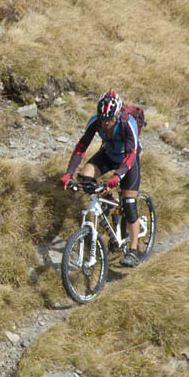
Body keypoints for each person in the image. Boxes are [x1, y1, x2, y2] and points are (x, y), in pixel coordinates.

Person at [59, 90, 143, 268]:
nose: (105, 123)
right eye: (102, 119)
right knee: (84, 178)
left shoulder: (128, 124)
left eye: (109, 119)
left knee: (129, 203)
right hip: (108, 154)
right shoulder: (95, 122)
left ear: (117, 114)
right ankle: (109, 203)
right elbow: (81, 147)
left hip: (128, 161)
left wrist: (117, 176)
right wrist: (69, 173)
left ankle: (133, 251)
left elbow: (130, 155)